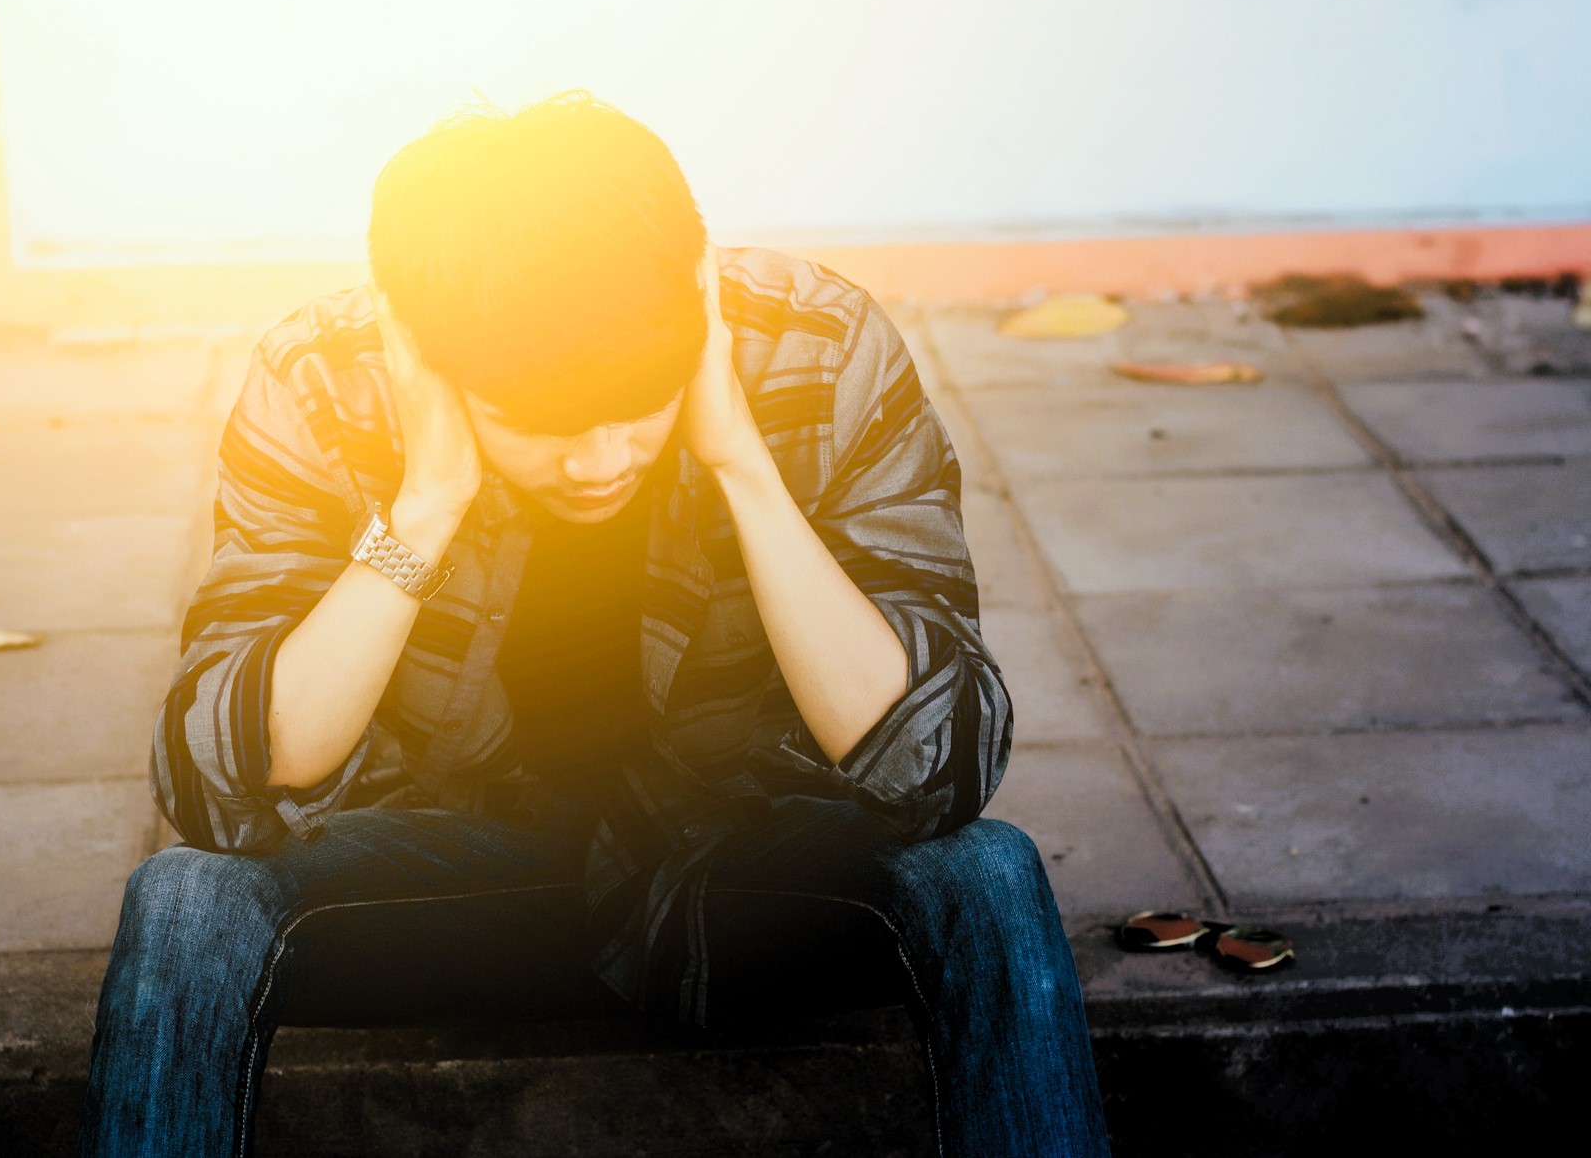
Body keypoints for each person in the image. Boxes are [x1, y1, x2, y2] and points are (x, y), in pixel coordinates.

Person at [78, 91, 1108, 1156]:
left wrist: (738, 464)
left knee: (983, 875)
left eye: (640, 402)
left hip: (742, 860)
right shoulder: (325, 382)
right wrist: (422, 508)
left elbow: (937, 766)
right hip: (451, 872)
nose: (599, 460)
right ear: (428, 354)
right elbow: (221, 784)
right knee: (187, 899)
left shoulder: (816, 347)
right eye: (538, 424)